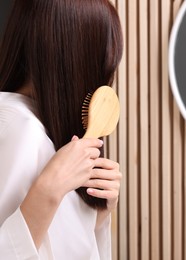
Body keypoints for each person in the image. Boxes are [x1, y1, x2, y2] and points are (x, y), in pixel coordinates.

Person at [0, 0, 123, 259]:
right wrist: (48, 191)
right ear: (77, 61)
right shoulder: (24, 130)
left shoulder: (35, 123)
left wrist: (98, 211)